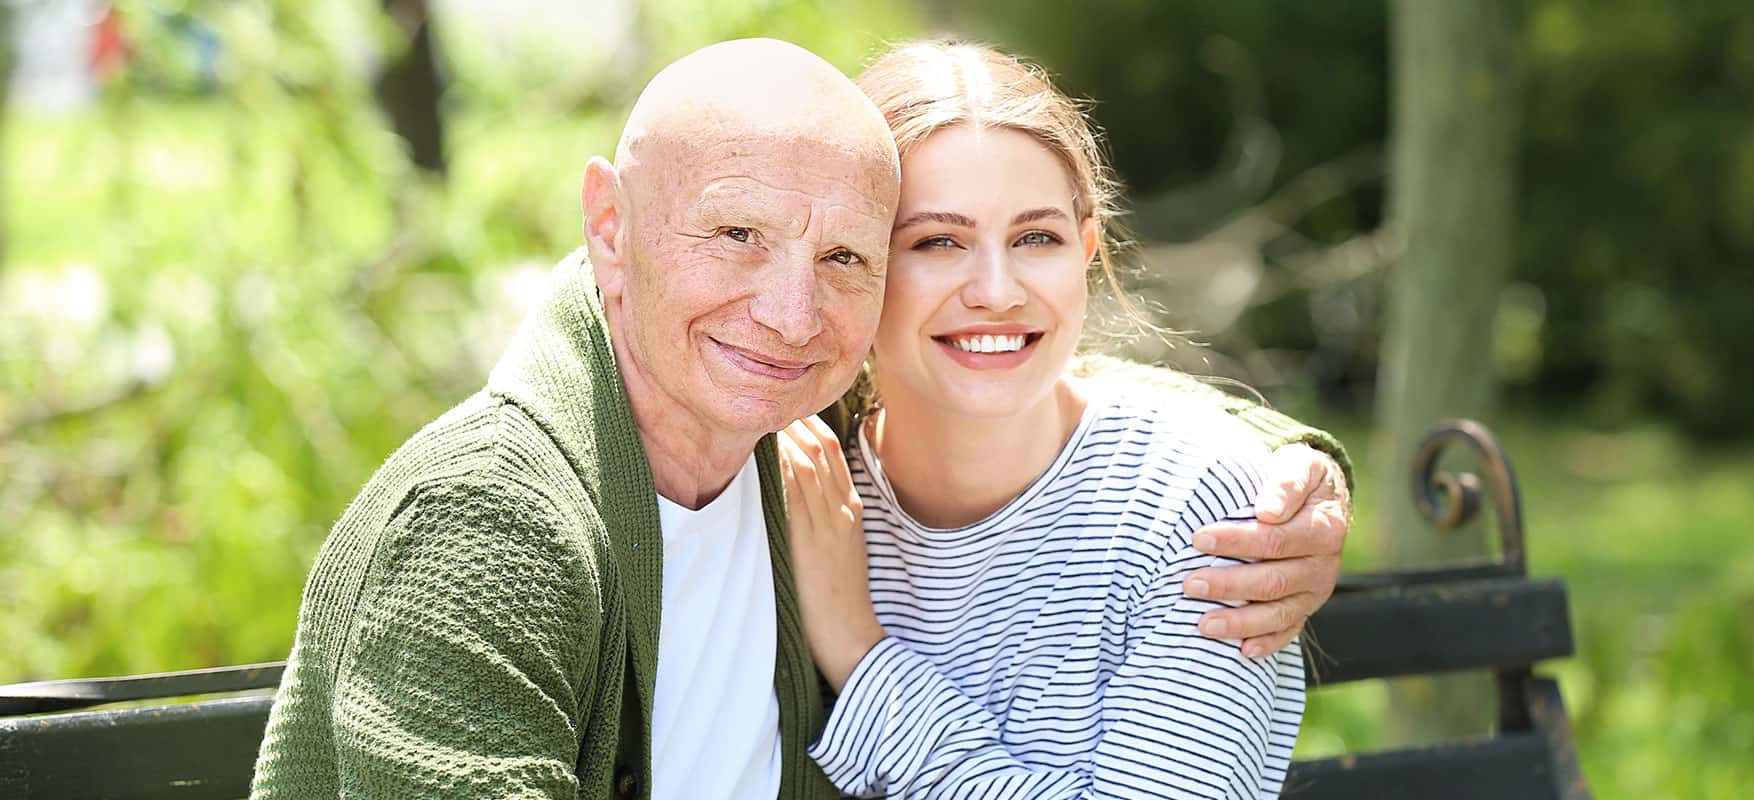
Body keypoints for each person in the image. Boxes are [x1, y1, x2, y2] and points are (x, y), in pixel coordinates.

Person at [250, 38, 1349, 800]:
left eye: (839, 257)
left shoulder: (804, 455)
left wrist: (1297, 465)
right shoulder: (536, 515)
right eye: (931, 242)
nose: (788, 311)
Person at [779, 41, 1323, 798]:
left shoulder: (1198, 510)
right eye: (938, 241)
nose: (997, 291)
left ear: (1087, 251)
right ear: (851, 265)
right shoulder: (796, 495)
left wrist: (862, 657)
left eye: (1036, 238)